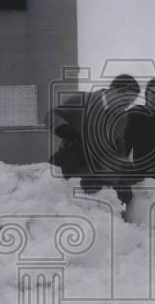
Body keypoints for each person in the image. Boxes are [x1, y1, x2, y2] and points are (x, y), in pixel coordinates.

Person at [47, 73, 140, 206]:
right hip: (74, 158)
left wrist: (125, 165)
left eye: (129, 104)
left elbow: (119, 147)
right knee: (61, 192)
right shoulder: (83, 99)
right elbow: (52, 114)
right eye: (124, 101)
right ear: (112, 91)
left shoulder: (122, 118)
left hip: (103, 164)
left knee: (125, 197)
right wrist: (62, 127)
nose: (125, 107)